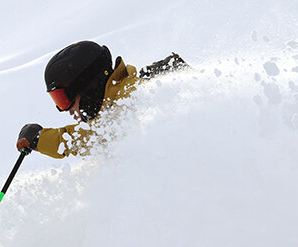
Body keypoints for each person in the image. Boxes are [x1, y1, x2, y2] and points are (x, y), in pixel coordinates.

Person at [16, 41, 188, 159]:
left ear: (88, 86)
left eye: (64, 99)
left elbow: (96, 137)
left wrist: (41, 139)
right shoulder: (117, 99)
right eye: (58, 101)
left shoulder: (133, 98)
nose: (66, 110)